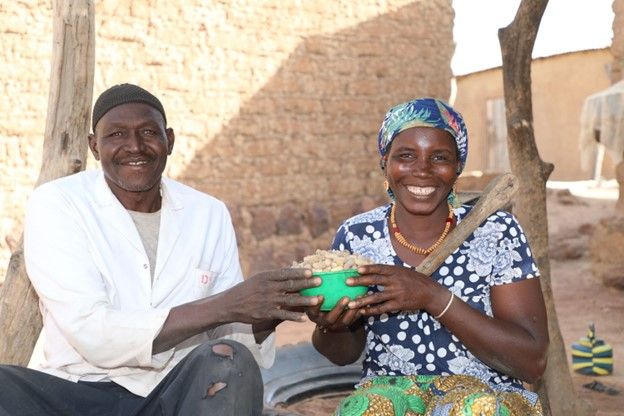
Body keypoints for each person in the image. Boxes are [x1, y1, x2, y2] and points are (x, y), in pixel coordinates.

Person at [0, 83, 321, 416]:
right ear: (94, 146)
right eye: (116, 135)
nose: (135, 146)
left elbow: (232, 336)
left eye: (148, 132)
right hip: (77, 392)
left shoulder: (207, 213)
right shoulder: (58, 203)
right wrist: (227, 304)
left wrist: (269, 312)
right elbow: (91, 332)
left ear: (169, 139)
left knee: (229, 362)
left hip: (174, 392)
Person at [306, 98, 549, 415]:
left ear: (457, 167)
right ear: (385, 163)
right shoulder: (358, 236)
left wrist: (433, 298)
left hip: (485, 393)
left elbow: (532, 362)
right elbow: (343, 355)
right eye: (405, 156)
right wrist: (331, 326)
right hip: (389, 395)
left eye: (440, 157)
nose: (422, 170)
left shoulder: (496, 232)